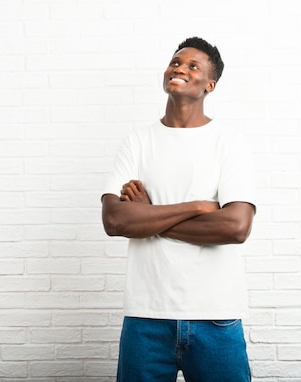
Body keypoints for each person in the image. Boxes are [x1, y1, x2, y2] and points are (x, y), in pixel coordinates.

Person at [101, 36, 256, 382]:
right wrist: (199, 207)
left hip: (216, 317)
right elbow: (114, 219)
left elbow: (235, 227)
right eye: (175, 61)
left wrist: (148, 217)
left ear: (210, 85)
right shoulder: (138, 141)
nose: (179, 68)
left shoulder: (228, 142)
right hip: (146, 317)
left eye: (192, 65)